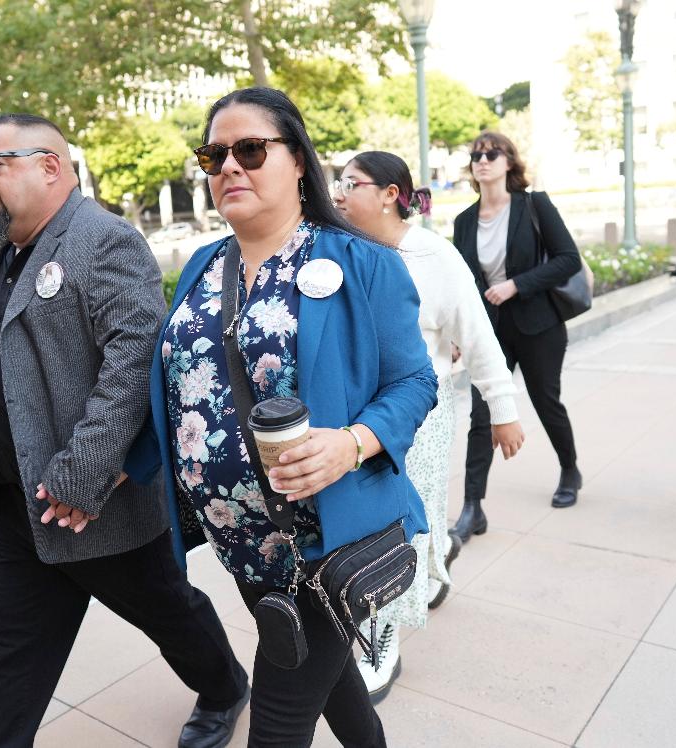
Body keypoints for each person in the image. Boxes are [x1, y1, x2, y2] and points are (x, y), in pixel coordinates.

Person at [146, 88, 437, 747]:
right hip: (242, 545)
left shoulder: (360, 262)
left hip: (324, 543)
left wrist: (351, 443)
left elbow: (414, 382)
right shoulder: (201, 265)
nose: (229, 167)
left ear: (298, 160)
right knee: (332, 687)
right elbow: (179, 389)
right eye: (212, 155)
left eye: (250, 149)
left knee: (277, 722)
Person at [0, 113, 247, 748]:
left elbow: (133, 361)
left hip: (95, 506)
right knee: (8, 654)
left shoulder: (103, 240)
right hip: (21, 507)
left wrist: (84, 474)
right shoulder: (13, 248)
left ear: (50, 166)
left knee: (169, 612)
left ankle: (226, 687)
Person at [333, 150, 525, 698]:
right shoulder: (339, 251)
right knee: (389, 522)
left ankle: (382, 640)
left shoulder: (434, 256)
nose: (340, 193)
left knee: (394, 527)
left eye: (352, 183)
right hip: (356, 418)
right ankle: (437, 559)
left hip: (422, 410)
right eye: (338, 183)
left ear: (391, 194)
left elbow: (478, 334)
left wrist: (504, 412)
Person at [452, 130, 584, 541]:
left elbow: (568, 259)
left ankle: (569, 469)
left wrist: (517, 285)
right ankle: (473, 507)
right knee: (481, 413)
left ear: (509, 162)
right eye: (476, 155)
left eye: (492, 153)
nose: (483, 160)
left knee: (546, 400)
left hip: (539, 324)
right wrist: (459, 331)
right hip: (489, 331)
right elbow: (465, 283)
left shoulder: (534, 206)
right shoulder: (464, 221)